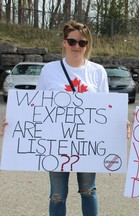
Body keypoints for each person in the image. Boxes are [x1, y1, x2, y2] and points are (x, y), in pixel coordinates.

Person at [36, 20, 108, 216]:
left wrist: (120, 123)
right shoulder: (49, 70)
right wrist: (14, 124)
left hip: (87, 143)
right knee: (57, 195)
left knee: (88, 191)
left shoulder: (97, 72)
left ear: (87, 45)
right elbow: (35, 107)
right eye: (72, 41)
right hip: (57, 143)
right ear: (64, 42)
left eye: (82, 43)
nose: (77, 46)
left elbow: (106, 109)